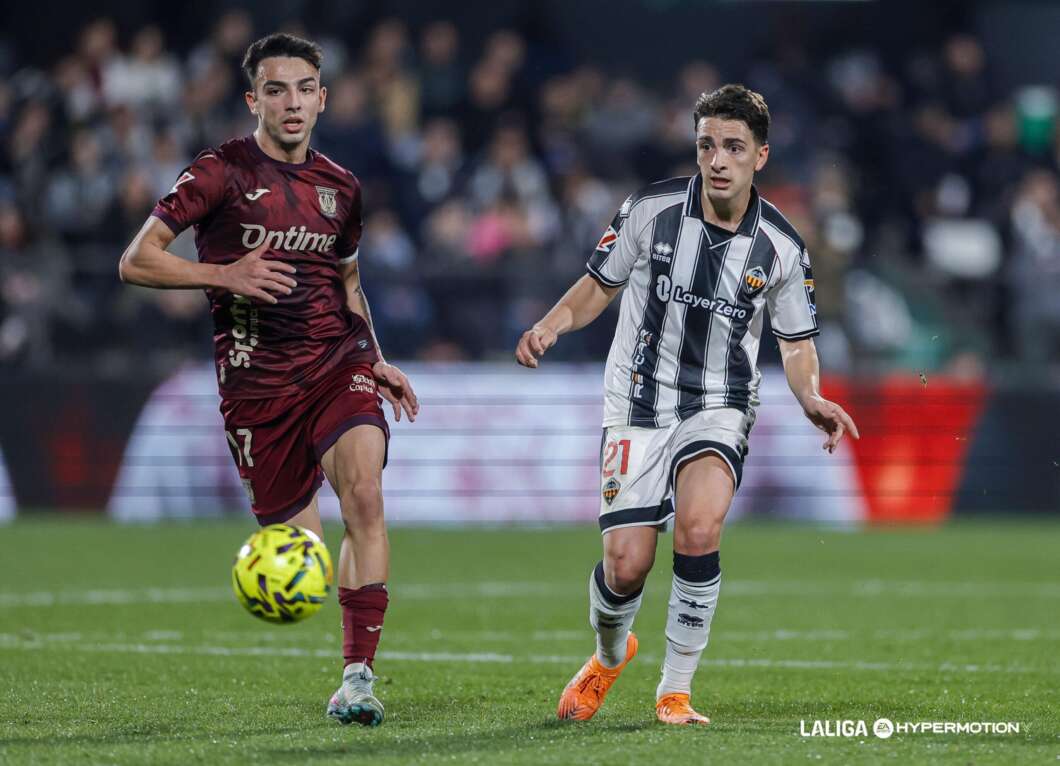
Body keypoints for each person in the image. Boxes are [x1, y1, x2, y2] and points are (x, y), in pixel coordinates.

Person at [515, 84, 859, 725]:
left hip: (720, 402)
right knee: (626, 566)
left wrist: (809, 394)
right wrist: (549, 326)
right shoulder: (652, 209)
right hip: (637, 398)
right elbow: (598, 285)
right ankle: (608, 656)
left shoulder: (782, 247)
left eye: (734, 147)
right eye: (707, 145)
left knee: (699, 529)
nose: (717, 160)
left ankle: (675, 691)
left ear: (761, 155)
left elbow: (796, 342)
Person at [118, 33, 417, 727]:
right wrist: (223, 274)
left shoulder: (342, 188)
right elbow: (136, 261)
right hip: (257, 392)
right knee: (304, 559)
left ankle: (358, 679)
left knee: (365, 496)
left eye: (304, 89)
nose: (292, 102)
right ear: (254, 100)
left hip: (337, 366)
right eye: (276, 90)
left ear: (323, 99)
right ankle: (337, 638)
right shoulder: (219, 172)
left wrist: (374, 356)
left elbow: (348, 281)